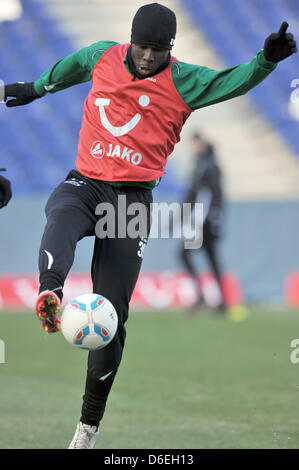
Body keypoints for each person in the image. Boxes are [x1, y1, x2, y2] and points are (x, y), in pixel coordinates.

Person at [4, 3, 297, 448]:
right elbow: (73, 65)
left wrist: (265, 61)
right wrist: (36, 87)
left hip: (132, 201)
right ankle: (51, 290)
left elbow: (230, 83)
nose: (147, 57)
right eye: (142, 47)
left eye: (157, 51)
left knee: (112, 320)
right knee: (60, 212)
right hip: (85, 182)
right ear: (130, 41)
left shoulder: (184, 80)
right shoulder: (103, 56)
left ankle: (87, 429)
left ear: (170, 50)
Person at [180, 133, 226, 313]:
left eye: (195, 144)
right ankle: (220, 302)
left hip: (206, 221)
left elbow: (216, 194)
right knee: (211, 258)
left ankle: (203, 296)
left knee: (186, 253)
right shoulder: (200, 165)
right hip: (202, 220)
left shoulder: (209, 166)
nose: (193, 148)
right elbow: (192, 196)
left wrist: (215, 217)